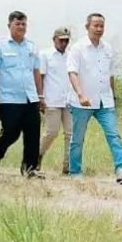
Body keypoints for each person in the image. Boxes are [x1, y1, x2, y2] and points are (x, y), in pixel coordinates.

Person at [67, 13, 122, 184]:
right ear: (87, 27)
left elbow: (110, 74)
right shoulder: (78, 48)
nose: (99, 29)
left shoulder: (108, 49)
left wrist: (112, 95)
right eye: (95, 25)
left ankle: (121, 169)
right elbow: (72, 72)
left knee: (114, 134)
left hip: (104, 101)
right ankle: (75, 171)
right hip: (82, 102)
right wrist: (80, 94)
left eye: (101, 26)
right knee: (77, 138)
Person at [0, 11, 44, 179]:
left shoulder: (32, 46)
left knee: (33, 133)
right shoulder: (0, 46)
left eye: (23, 24)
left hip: (30, 98)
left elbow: (36, 72)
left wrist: (40, 96)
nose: (21, 27)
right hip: (9, 99)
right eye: (17, 24)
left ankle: (29, 169)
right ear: (9, 25)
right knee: (11, 132)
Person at [38, 27, 74, 175]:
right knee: (52, 132)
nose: (64, 43)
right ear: (54, 39)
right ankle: (37, 155)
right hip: (51, 99)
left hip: (69, 100)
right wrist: (40, 97)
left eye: (66, 40)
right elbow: (40, 77)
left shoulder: (71, 56)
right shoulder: (45, 55)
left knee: (70, 134)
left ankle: (68, 165)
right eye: (61, 40)